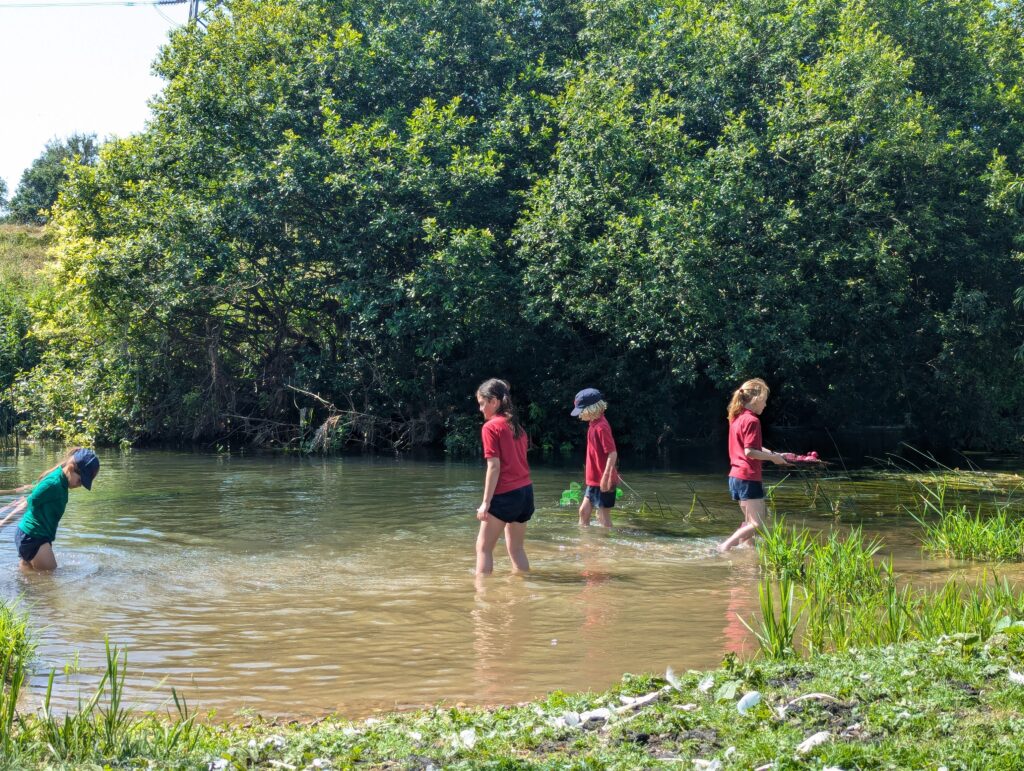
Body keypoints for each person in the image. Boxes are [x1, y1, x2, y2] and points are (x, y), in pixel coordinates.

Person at [0, 448, 100, 570]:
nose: (80, 485)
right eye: (80, 480)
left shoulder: (60, 482)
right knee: (51, 580)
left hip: (31, 536)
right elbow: (26, 504)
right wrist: (2, 524)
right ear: (70, 468)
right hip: (33, 536)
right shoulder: (54, 484)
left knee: (30, 579)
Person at [718, 379, 787, 553]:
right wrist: (773, 460)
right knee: (758, 524)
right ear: (755, 399)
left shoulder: (736, 418)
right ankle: (724, 547)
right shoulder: (752, 421)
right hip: (748, 476)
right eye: (764, 400)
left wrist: (773, 454)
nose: (765, 405)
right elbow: (750, 452)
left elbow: (750, 447)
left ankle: (747, 554)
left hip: (735, 476)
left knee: (750, 522)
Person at [475, 378, 532, 575]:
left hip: (506, 494)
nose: (481, 409)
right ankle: (523, 590)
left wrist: (485, 503)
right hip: (525, 493)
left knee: (483, 549)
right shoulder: (517, 427)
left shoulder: (490, 427)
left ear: (494, 401)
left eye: (483, 403)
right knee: (516, 549)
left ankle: (482, 601)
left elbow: (494, 467)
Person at [571, 388, 618, 528]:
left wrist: (606, 477)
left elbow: (612, 453)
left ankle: (606, 547)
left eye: (581, 410)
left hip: (604, 480)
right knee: (583, 512)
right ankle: (586, 545)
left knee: (602, 517)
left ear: (591, 409)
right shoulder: (593, 424)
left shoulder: (601, 427)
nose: (579, 415)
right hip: (594, 480)